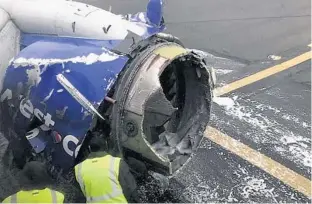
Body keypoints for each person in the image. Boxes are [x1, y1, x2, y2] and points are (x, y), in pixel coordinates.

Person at [74, 137, 140, 203]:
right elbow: (131, 189)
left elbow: (82, 194)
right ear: (106, 145)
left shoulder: (79, 168)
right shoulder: (117, 163)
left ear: (89, 148)